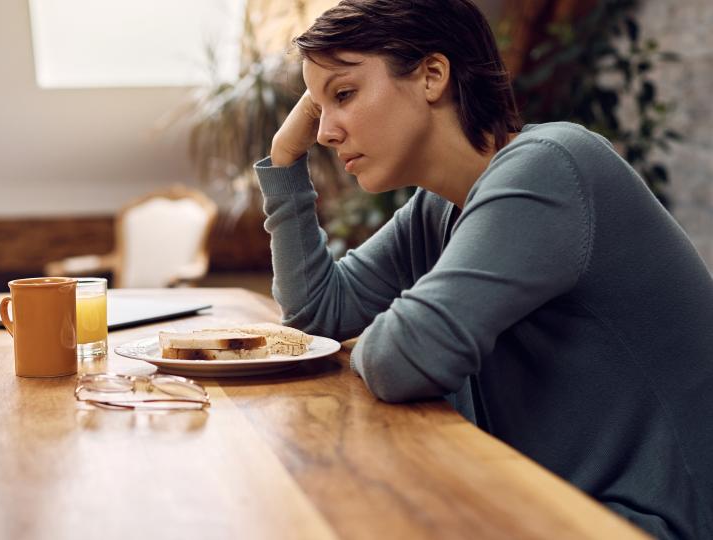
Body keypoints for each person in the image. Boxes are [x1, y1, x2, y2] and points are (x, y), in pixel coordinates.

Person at [254, 1, 713, 538]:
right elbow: (315, 313)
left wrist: (393, 339)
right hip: (552, 503)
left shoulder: (552, 166)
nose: (326, 132)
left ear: (432, 76)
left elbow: (407, 359)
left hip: (646, 522)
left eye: (345, 94)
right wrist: (285, 159)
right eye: (318, 106)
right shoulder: (439, 208)